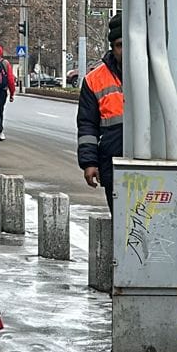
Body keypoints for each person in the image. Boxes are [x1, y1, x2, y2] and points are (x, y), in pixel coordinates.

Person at [76, 15, 123, 208]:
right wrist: (89, 162)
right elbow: (87, 125)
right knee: (121, 225)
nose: (126, 50)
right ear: (112, 47)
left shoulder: (157, 72)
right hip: (113, 163)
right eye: (120, 45)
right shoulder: (94, 79)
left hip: (154, 162)